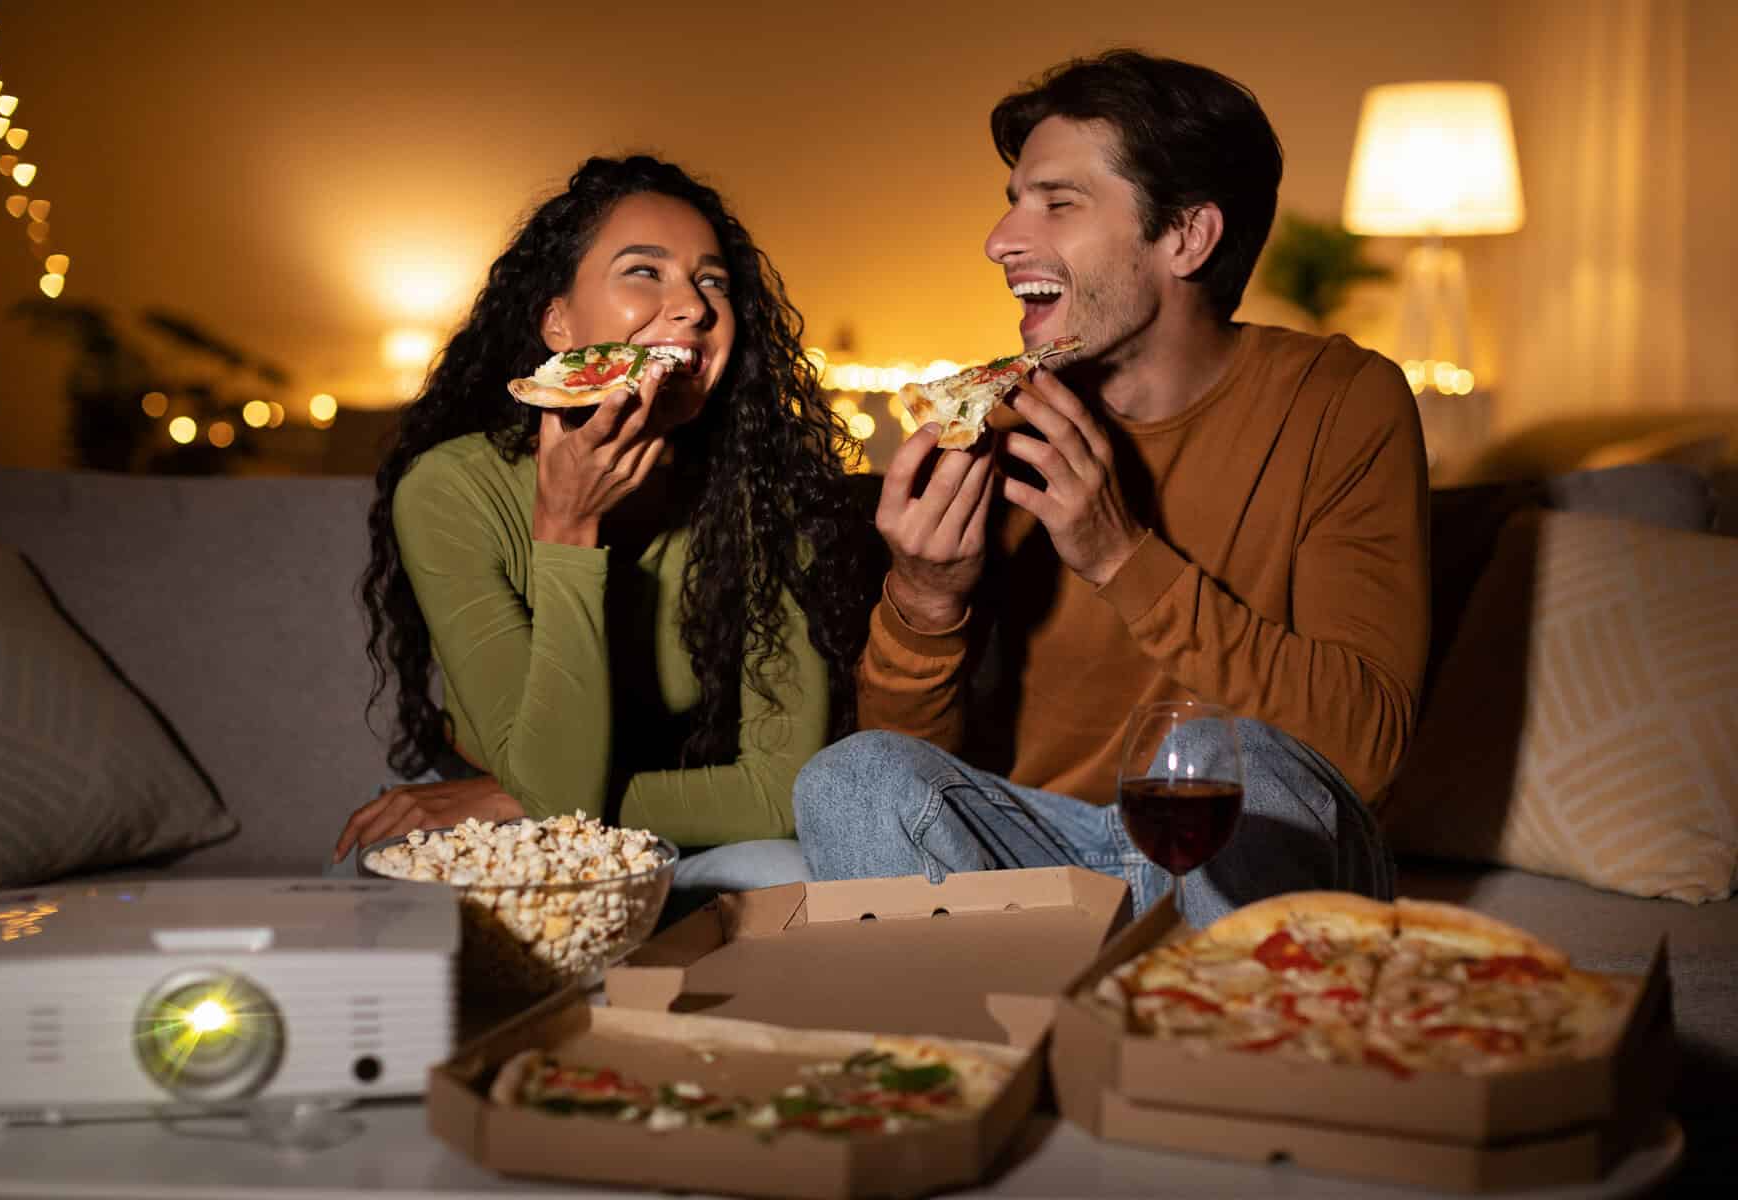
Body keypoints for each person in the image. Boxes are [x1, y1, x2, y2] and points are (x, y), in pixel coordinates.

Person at [792, 50, 1430, 927]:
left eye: (1057, 203)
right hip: (1044, 856)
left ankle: (1204, 1002)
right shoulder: (996, 423)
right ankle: (1025, 1001)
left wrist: (1120, 556)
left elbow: (1365, 746)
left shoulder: (1341, 400)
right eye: (1013, 202)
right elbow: (908, 773)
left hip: (1242, 839)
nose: (1000, 241)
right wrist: (925, 598)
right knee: (848, 776)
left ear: (1187, 237)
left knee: (1224, 755)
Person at [332, 155, 871, 895]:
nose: (694, 307)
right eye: (644, 272)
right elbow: (553, 798)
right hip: (493, 827)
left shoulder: (765, 500)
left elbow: (780, 794)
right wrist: (567, 528)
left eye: (712, 281)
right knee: (376, 886)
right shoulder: (453, 489)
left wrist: (516, 799)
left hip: (657, 815)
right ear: (558, 322)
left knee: (792, 876)